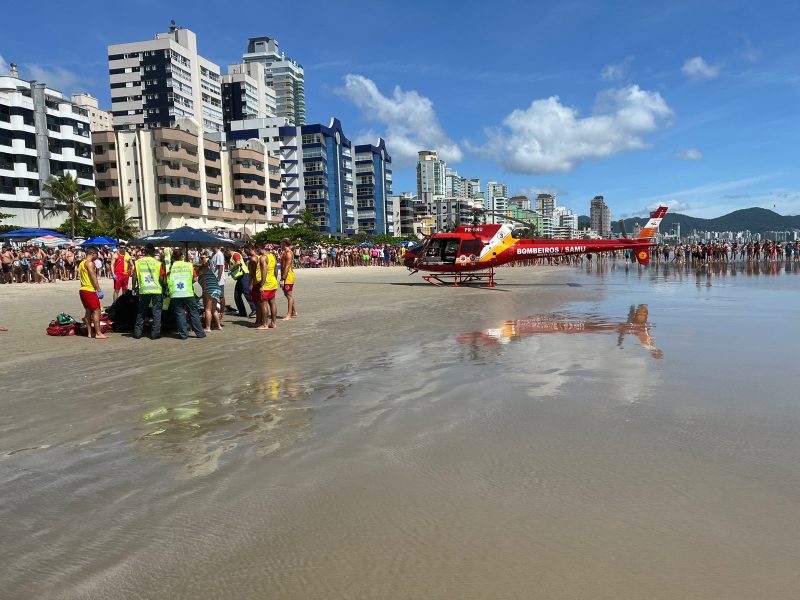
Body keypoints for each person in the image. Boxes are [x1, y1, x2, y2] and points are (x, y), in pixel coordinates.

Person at [167, 248, 206, 340]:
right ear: (182, 256)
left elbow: (167, 279)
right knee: (193, 313)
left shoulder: (171, 267)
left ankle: (183, 335)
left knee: (180, 314)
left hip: (175, 293)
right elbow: (195, 279)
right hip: (188, 293)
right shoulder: (188, 265)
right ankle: (200, 333)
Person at [132, 243, 165, 340]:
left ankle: (137, 333)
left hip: (144, 290)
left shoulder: (138, 262)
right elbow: (161, 278)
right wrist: (164, 286)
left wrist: (133, 288)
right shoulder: (158, 263)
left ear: (145, 252)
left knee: (141, 311)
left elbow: (134, 276)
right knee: (156, 312)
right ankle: (155, 334)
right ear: (153, 252)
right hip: (157, 290)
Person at [78, 247, 108, 340]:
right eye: (96, 255)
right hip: (89, 289)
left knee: (88, 311)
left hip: (83, 289)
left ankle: (90, 332)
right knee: (96, 311)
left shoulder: (82, 263)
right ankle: (98, 333)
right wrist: (98, 289)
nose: (97, 257)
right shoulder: (90, 263)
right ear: (92, 254)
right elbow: (93, 277)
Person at [229, 248, 255, 317]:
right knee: (237, 295)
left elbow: (238, 263)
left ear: (229, 250)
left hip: (244, 275)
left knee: (246, 293)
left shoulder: (235, 254)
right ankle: (242, 312)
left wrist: (231, 269)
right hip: (240, 277)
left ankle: (254, 308)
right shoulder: (232, 256)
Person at [199, 259, 222, 331]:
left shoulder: (202, 274)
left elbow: (205, 288)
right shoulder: (210, 272)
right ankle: (219, 326)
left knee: (207, 309)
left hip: (209, 290)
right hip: (217, 290)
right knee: (214, 309)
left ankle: (208, 328)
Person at [280, 238, 298, 320]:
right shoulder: (285, 253)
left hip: (288, 276)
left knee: (289, 295)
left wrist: (283, 279)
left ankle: (289, 315)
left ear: (284, 244)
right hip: (285, 275)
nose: (280, 245)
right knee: (286, 294)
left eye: (281, 243)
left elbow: (287, 267)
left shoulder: (288, 254)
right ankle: (294, 311)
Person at [262, 246, 279, 329]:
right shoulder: (272, 256)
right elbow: (276, 269)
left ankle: (265, 324)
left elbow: (264, 271)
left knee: (264, 303)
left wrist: (262, 284)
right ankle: (273, 323)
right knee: (272, 302)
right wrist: (275, 279)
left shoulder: (263, 258)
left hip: (267, 283)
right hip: (273, 282)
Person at [211, 246, 227, 321]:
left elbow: (221, 267)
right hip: (213, 278)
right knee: (213, 295)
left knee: (221, 296)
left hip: (218, 279)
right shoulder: (213, 254)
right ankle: (214, 310)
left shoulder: (219, 254)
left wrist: (218, 277)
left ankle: (222, 312)